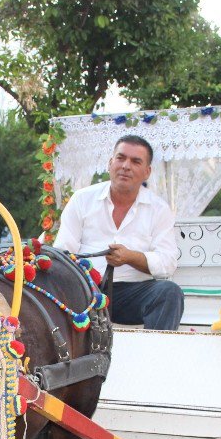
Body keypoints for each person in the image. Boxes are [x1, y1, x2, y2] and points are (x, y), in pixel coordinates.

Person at [53, 134, 184, 330]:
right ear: (110, 163)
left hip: (131, 294)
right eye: (120, 158)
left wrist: (131, 257)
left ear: (147, 172)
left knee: (169, 293)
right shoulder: (82, 199)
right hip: (85, 289)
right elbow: (63, 251)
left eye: (135, 161)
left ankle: (156, 358)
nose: (125, 166)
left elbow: (167, 262)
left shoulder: (159, 209)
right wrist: (84, 278)